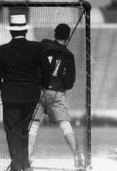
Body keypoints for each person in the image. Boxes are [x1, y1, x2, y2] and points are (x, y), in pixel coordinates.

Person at [0, 14, 51, 171]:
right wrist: (43, 87)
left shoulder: (2, 50)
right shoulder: (37, 47)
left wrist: (3, 87)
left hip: (10, 95)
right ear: (25, 30)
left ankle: (17, 167)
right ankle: (25, 164)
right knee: (24, 129)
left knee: (12, 131)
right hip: (31, 95)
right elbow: (47, 70)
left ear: (10, 32)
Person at [28, 23, 84, 168]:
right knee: (65, 125)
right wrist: (59, 83)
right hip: (57, 91)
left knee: (33, 124)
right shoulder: (69, 55)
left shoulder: (44, 44)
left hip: (39, 90)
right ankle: (78, 156)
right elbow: (70, 82)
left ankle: (27, 157)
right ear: (67, 37)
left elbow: (33, 63)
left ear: (55, 34)